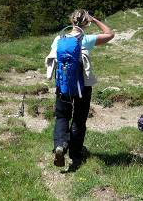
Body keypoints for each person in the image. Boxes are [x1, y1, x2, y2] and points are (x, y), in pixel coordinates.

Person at [45, 9, 114, 169]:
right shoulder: (86, 39)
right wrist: (94, 20)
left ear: (71, 21)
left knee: (62, 117)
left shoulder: (59, 39)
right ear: (86, 23)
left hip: (63, 86)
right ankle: (75, 154)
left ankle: (60, 145)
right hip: (83, 87)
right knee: (79, 119)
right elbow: (110, 34)